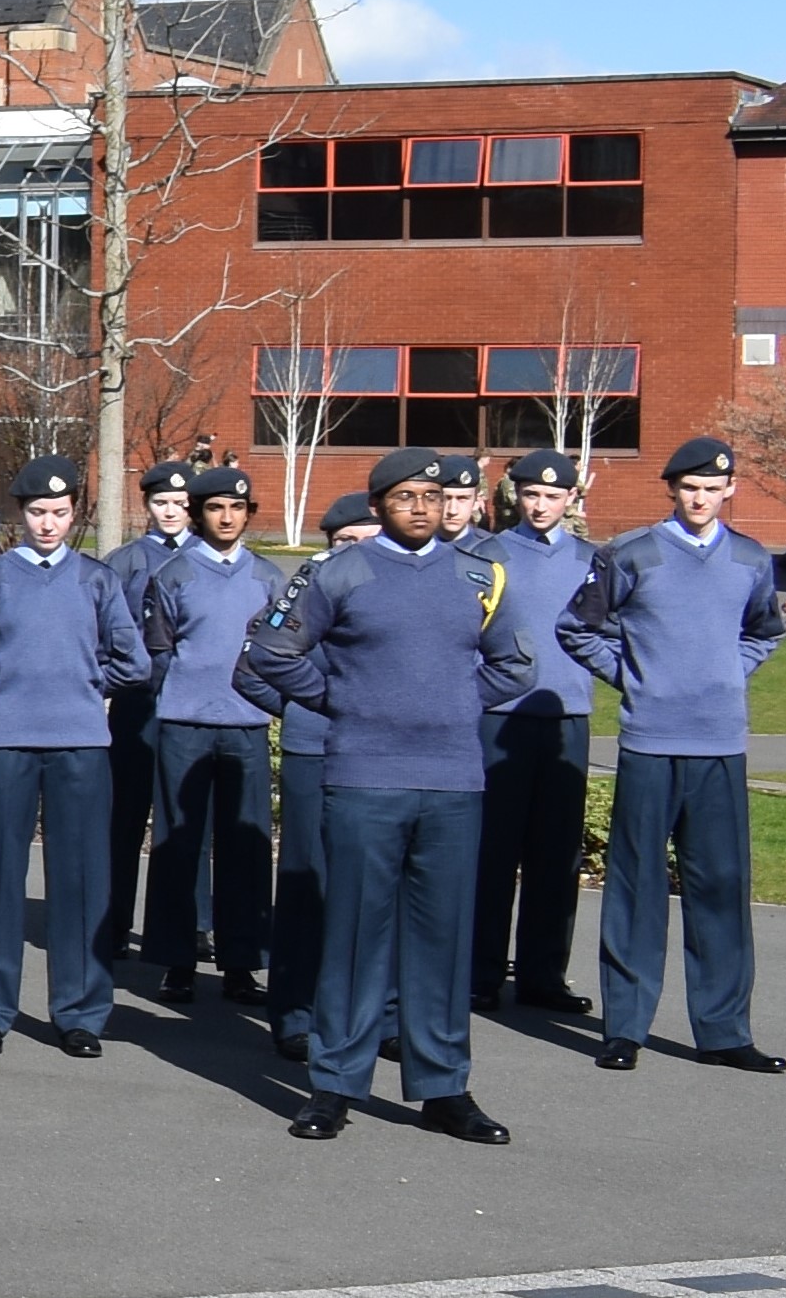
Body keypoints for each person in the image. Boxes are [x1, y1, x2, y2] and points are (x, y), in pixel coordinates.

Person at [247, 448, 538, 1144]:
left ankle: (443, 1087)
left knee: (441, 939)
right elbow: (269, 650)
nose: (421, 508)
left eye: (433, 498)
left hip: (450, 781)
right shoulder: (336, 571)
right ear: (377, 503)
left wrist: (454, 703)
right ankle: (334, 1085)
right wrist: (342, 702)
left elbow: (516, 662)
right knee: (353, 935)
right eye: (405, 496)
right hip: (363, 779)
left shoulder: (481, 574)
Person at [563, 438, 786, 1073]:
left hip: (720, 744)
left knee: (720, 886)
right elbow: (576, 626)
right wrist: (635, 677)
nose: (700, 497)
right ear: (673, 490)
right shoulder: (631, 553)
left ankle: (724, 1031)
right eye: (689, 487)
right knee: (635, 886)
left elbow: (765, 631)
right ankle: (625, 1027)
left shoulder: (749, 558)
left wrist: (728, 673)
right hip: (650, 743)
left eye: (712, 488)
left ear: (729, 492)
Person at [0, 458, 147, 1055]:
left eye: (61, 512)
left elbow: (133, 661)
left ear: (76, 513)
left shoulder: (97, 580)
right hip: (3, 743)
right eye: (39, 513)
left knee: (80, 879)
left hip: (79, 745)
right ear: (21, 515)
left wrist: (82, 684)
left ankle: (80, 1013)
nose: (49, 524)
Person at [242, 490, 389, 1061]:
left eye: (365, 540)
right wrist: (307, 708)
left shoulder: (390, 589)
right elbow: (253, 664)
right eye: (344, 541)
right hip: (316, 752)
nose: (354, 551)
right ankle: (295, 1015)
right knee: (306, 886)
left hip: (379, 756)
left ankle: (385, 1015)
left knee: (378, 892)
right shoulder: (306, 587)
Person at [134, 466, 281, 1005]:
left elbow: (280, 653)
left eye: (237, 508)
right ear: (198, 514)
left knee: (244, 844)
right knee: (179, 843)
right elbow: (158, 650)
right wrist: (179, 696)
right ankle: (178, 960)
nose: (227, 517)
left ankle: (242, 963)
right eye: (216, 508)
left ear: (247, 515)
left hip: (246, 725)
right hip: (186, 725)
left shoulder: (269, 578)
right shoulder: (173, 574)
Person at [469, 450, 601, 1015]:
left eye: (553, 496)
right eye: (531, 495)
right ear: (515, 497)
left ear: (571, 499)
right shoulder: (487, 553)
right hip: (499, 719)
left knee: (557, 855)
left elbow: (611, 630)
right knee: (492, 852)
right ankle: (479, 972)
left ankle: (545, 974)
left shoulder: (594, 560)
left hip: (567, 718)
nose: (541, 504)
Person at [96, 461, 199, 961]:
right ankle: (114, 919)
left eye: (181, 505)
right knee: (125, 814)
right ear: (148, 507)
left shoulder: (208, 557)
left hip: (193, 702)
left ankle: (192, 923)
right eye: (162, 503)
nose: (171, 512)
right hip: (138, 701)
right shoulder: (125, 561)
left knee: (186, 818)